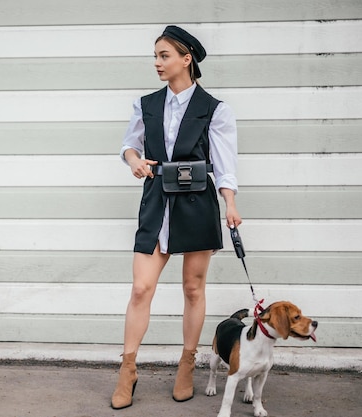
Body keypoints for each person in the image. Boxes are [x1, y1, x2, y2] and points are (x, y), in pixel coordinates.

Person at [111, 25, 242, 410]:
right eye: (155, 55)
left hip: (197, 204)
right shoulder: (146, 103)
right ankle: (128, 369)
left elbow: (225, 165)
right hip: (155, 202)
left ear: (187, 59)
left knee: (193, 289)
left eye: (164, 55)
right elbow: (129, 145)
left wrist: (230, 204)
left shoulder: (215, 109)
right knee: (140, 288)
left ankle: (187, 365)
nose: (157, 63)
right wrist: (134, 162)